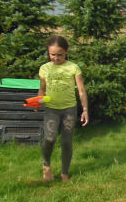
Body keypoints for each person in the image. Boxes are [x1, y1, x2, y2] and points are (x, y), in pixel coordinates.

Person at [38, 35, 89, 182]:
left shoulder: (73, 68)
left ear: (66, 52)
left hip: (69, 110)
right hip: (51, 109)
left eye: (59, 55)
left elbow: (81, 90)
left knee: (66, 142)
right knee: (49, 138)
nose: (56, 58)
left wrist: (85, 109)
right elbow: (42, 89)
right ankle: (46, 166)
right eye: (52, 54)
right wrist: (38, 102)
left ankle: (64, 173)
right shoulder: (44, 68)